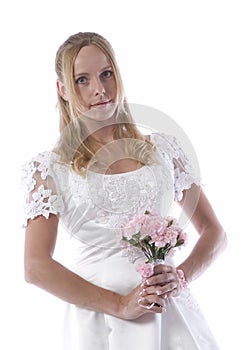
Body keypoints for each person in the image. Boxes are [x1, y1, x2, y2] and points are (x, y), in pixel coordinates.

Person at [21, 32, 227, 350]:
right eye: (81, 80)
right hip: (100, 321)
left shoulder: (164, 149)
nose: (99, 89)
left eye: (106, 74)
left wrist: (181, 275)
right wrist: (120, 305)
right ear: (62, 89)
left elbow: (214, 232)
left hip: (168, 313)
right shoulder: (49, 169)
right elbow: (36, 266)